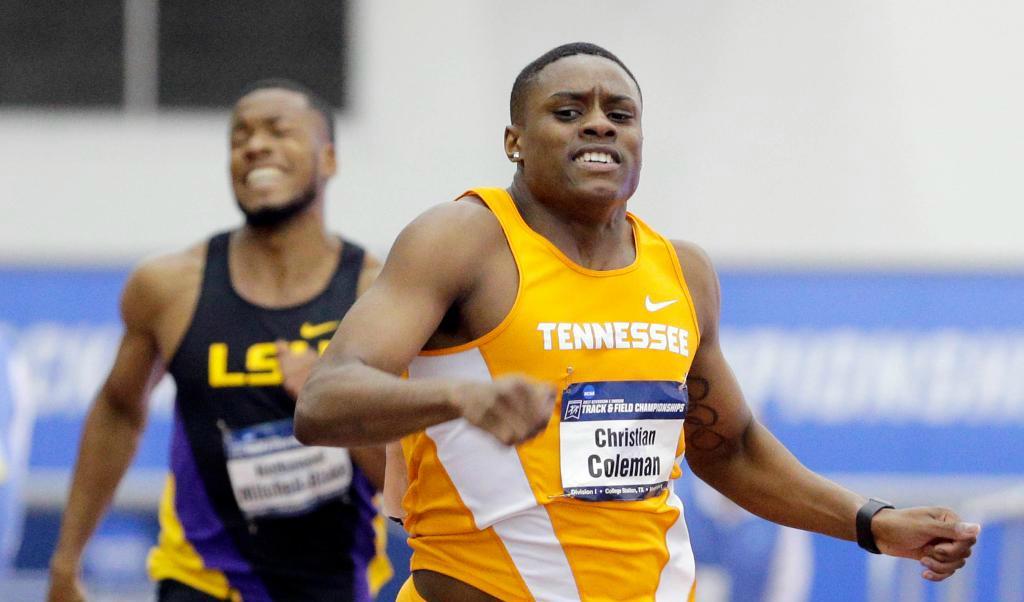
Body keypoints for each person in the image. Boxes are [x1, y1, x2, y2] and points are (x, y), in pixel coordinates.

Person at [294, 43, 979, 602]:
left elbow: (728, 448)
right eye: (568, 111)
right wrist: (456, 398)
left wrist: (873, 523)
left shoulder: (680, 271)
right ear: (514, 140)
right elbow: (325, 401)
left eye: (620, 113)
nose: (599, 124)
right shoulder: (463, 240)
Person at [47, 79, 390, 602]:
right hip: (200, 579)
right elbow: (119, 411)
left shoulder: (375, 293)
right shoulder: (168, 287)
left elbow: (402, 475)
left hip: (335, 583)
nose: (255, 146)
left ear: (329, 160)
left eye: (279, 132)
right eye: (240, 137)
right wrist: (66, 563)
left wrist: (329, 401)